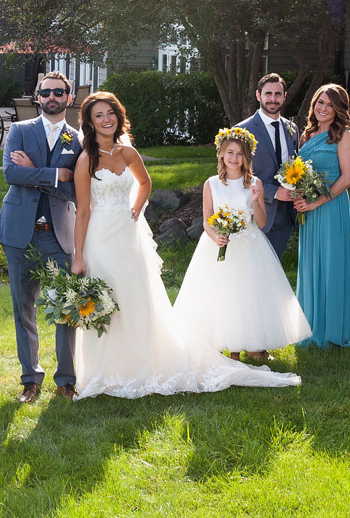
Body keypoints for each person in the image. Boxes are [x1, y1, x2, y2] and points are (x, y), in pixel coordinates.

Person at [71, 92, 300, 398]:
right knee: (107, 301)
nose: (106, 119)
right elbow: (83, 210)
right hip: (100, 238)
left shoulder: (128, 153)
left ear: (118, 115)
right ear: (89, 122)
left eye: (110, 113)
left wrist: (137, 208)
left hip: (129, 236)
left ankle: (142, 363)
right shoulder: (86, 159)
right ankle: (105, 371)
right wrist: (78, 255)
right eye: (98, 115)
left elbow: (145, 183)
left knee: (137, 299)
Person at [173, 128, 310, 359]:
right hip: (219, 244)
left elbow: (262, 222)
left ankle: (253, 343)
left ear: (247, 157)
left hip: (249, 243)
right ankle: (226, 345)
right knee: (221, 294)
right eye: (230, 153)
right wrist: (215, 236)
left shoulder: (254, 183)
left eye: (240, 154)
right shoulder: (211, 184)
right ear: (221, 155)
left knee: (248, 294)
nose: (235, 158)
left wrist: (257, 200)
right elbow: (207, 219)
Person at [0, 72, 82, 402]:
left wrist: (36, 172)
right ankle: (30, 380)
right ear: (37, 96)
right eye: (46, 92)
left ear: (68, 99)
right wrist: (54, 174)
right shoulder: (19, 131)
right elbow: (10, 174)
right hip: (19, 233)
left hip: (59, 235)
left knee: (65, 309)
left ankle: (66, 381)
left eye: (59, 92)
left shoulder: (78, 140)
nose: (52, 97)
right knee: (23, 309)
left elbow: (77, 187)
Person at [294, 84, 350, 348]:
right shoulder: (306, 136)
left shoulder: (343, 136)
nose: (323, 108)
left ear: (338, 109)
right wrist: (299, 193)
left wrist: (318, 201)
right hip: (308, 209)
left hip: (331, 207)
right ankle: (309, 328)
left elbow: (348, 178)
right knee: (311, 265)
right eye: (320, 102)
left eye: (330, 105)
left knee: (332, 264)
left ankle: (332, 330)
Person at [234, 72, 300, 257]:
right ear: (258, 95)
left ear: (285, 97)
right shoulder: (242, 130)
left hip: (285, 216)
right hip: (255, 213)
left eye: (278, 94)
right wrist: (274, 192)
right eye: (268, 94)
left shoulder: (292, 129)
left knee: (274, 271)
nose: (273, 99)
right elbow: (235, 174)